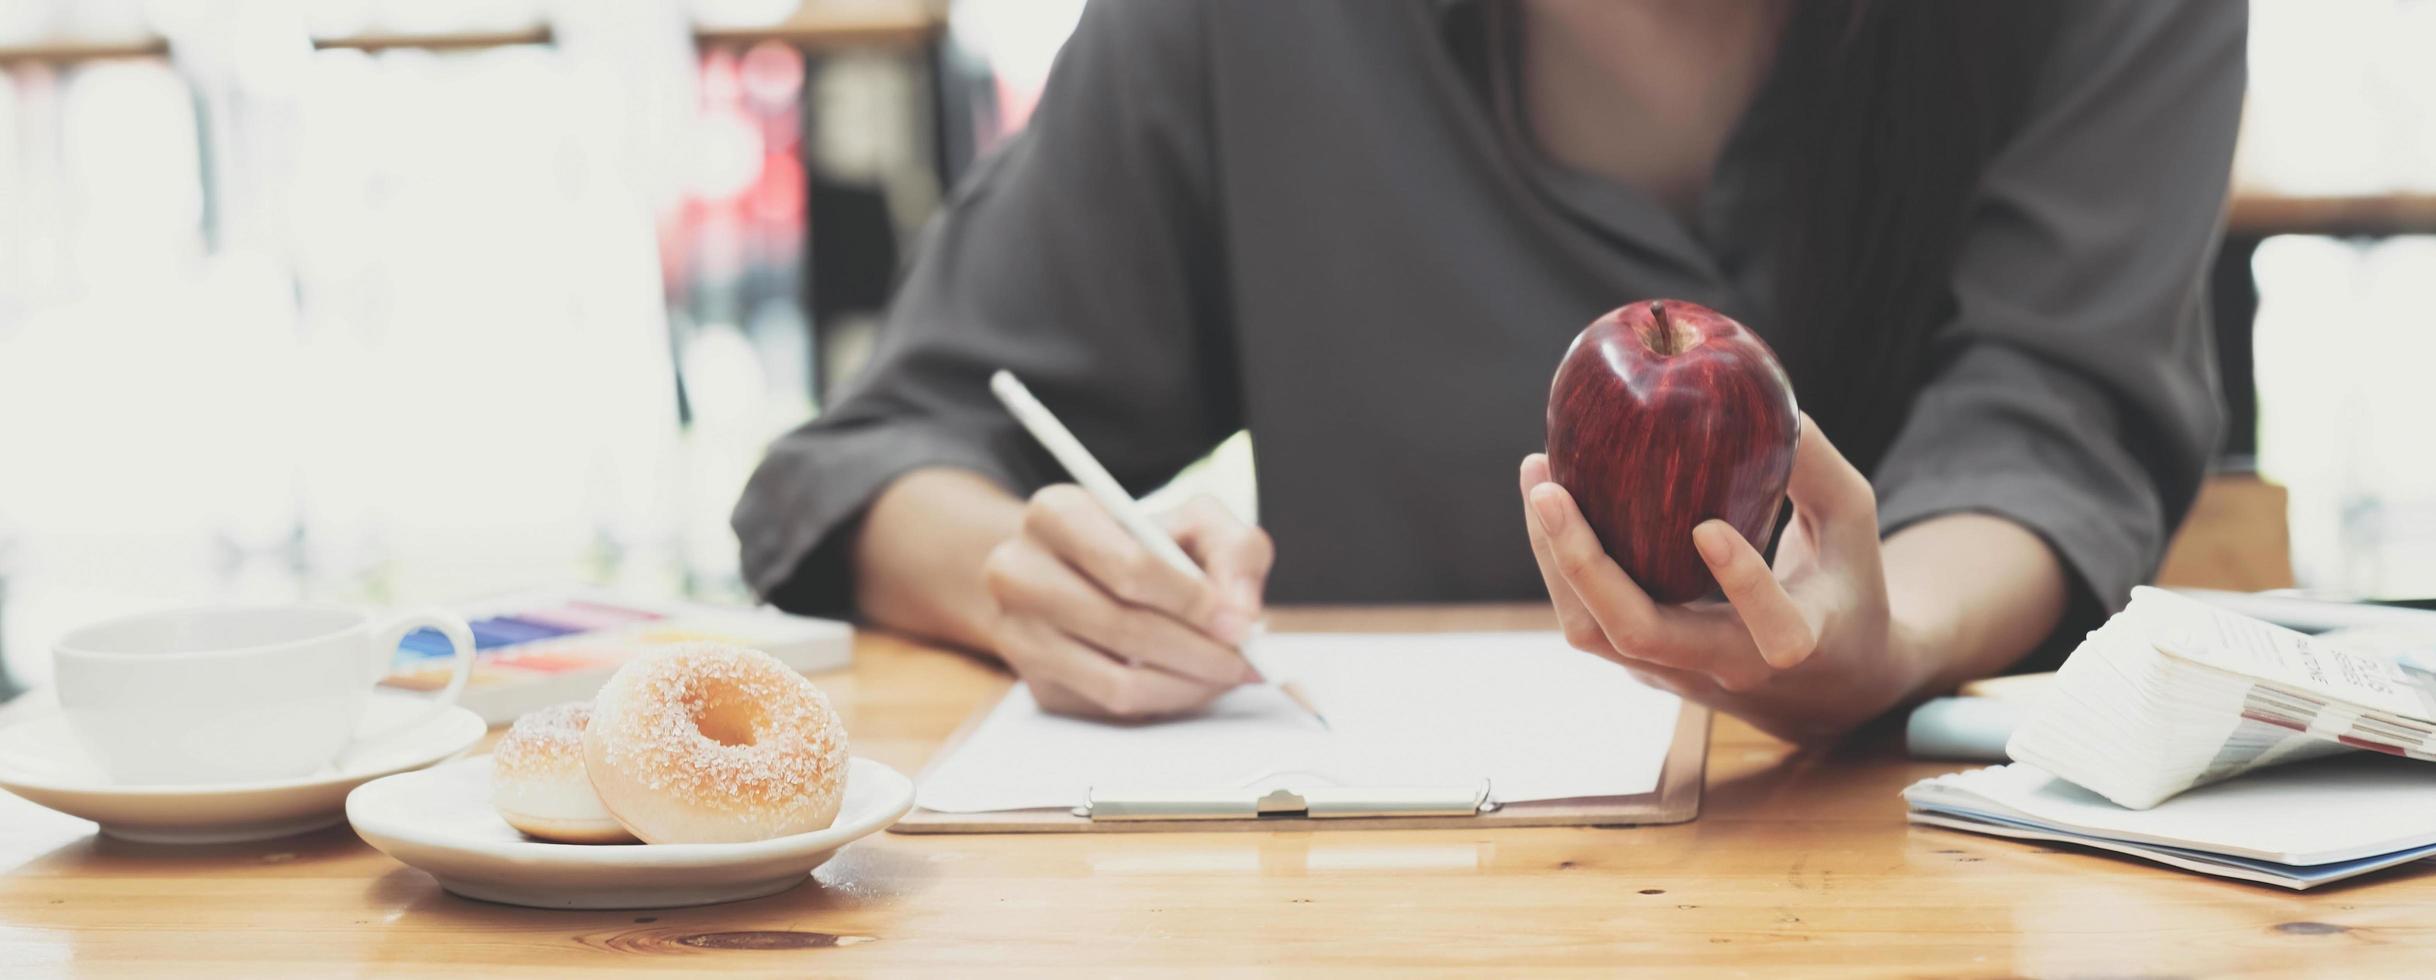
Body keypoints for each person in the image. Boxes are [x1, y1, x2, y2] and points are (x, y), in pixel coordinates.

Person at [731, 0, 2245, 739]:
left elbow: (2054, 414)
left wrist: (1889, 636)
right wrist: (1037, 578)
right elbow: (877, 457)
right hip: (1383, 913)